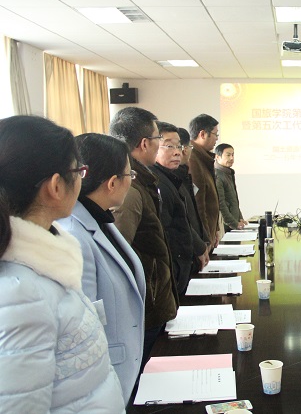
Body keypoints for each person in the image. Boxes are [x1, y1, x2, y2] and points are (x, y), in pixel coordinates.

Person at [0, 116, 123, 412]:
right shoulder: (22, 294)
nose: (81, 179)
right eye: (78, 171)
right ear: (56, 186)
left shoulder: (44, 264)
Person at [57, 133, 146, 404]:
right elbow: (85, 321)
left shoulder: (100, 219)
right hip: (103, 371)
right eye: (130, 174)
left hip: (123, 363)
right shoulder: (74, 233)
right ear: (112, 182)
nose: (132, 181)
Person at [110, 107, 178, 367]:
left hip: (152, 298)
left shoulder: (141, 181)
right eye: (159, 139)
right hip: (146, 304)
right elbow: (119, 255)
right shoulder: (130, 189)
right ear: (144, 143)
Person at [153, 122, 196, 295]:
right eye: (169, 146)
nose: (178, 152)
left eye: (178, 146)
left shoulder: (171, 178)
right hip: (170, 272)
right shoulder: (158, 183)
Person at [176, 127, 209, 275]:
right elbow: (183, 219)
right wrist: (200, 245)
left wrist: (204, 239)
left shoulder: (183, 175)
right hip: (185, 255)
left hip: (195, 246)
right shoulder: (173, 180)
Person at [189, 114, 221, 249]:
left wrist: (216, 229)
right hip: (203, 239)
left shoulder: (203, 157)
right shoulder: (193, 159)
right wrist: (206, 239)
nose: (217, 139)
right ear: (202, 134)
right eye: (215, 134)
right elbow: (199, 205)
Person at [215, 143, 247, 231]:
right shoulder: (217, 175)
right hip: (225, 226)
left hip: (233, 224)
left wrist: (240, 218)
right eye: (228, 155)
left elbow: (233, 201)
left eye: (233, 155)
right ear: (217, 157)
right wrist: (234, 223)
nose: (232, 158)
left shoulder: (228, 173)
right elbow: (221, 204)